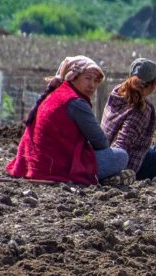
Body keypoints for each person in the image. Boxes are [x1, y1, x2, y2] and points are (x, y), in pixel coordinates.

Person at [7, 56, 131, 185]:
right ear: (73, 77)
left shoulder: (53, 94)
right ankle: (103, 178)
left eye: (95, 81)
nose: (92, 85)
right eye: (87, 78)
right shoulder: (76, 102)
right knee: (121, 156)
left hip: (33, 164)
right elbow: (101, 142)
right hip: (56, 167)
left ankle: (105, 178)